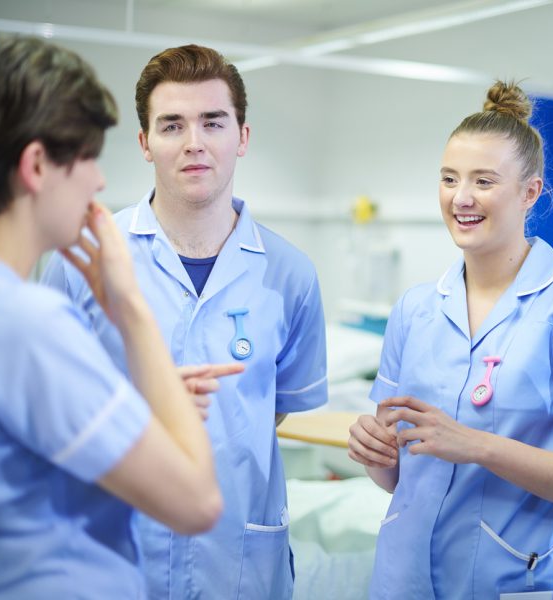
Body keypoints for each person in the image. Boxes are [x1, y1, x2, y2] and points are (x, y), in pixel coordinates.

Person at [42, 44, 328, 599]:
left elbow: (274, 411)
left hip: (241, 560)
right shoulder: (82, 258)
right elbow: (42, 410)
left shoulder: (290, 274)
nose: (194, 142)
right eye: (172, 124)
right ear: (146, 143)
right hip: (114, 553)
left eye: (213, 122)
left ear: (242, 137)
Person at [347, 81, 553, 599]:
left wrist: (479, 447)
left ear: (530, 192)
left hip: (506, 581)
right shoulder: (416, 309)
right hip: (400, 580)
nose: (461, 198)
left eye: (483, 181)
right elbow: (400, 477)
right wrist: (375, 455)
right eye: (449, 179)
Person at [0, 33, 228, 597]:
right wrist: (131, 308)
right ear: (37, 166)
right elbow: (197, 502)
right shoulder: (28, 322)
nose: (98, 181)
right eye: (89, 158)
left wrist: (138, 400)